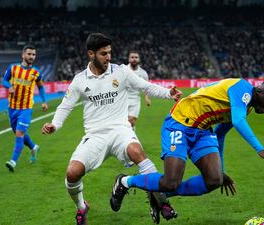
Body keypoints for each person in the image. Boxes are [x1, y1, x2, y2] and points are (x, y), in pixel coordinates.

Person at [41, 33, 181, 225]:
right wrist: (54, 124)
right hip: (95, 135)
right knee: (72, 173)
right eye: (103, 53)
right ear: (91, 54)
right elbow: (65, 106)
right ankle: (82, 208)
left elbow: (145, 86)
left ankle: (161, 200)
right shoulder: (80, 80)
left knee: (137, 152)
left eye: (109, 53)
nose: (109, 57)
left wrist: (168, 93)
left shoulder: (120, 71)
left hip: (120, 130)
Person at [110, 79, 264, 213]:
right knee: (171, 181)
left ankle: (162, 195)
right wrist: (260, 149)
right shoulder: (242, 88)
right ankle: (125, 181)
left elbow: (220, 134)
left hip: (202, 130)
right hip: (180, 121)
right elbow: (238, 121)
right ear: (259, 90)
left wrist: (221, 169)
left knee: (215, 179)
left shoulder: (246, 108)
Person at [3, 45, 48, 172]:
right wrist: (9, 87)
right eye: (29, 54)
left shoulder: (35, 73)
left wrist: (44, 101)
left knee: (19, 133)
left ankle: (13, 161)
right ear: (23, 55)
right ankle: (33, 147)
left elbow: (41, 87)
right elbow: (4, 81)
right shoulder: (12, 68)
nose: (31, 57)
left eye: (33, 55)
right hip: (12, 108)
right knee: (19, 133)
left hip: (26, 108)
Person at [126, 50, 151, 130]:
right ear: (129, 59)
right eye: (132, 57)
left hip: (135, 100)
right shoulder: (124, 70)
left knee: (131, 121)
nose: (134, 59)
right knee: (123, 122)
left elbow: (147, 87)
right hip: (123, 99)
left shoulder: (143, 73)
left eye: (136, 57)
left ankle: (131, 136)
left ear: (139, 59)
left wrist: (147, 98)